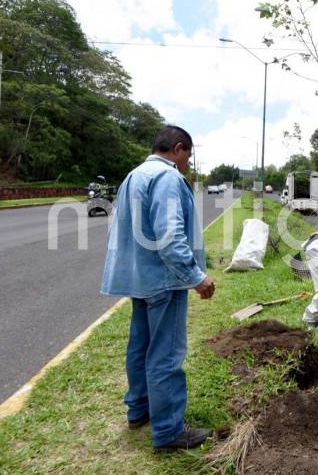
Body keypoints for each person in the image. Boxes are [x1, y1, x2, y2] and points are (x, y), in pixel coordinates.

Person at [101, 125, 216, 452]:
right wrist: (196, 277)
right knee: (165, 353)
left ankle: (139, 411)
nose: (186, 165)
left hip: (140, 279)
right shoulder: (167, 178)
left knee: (140, 346)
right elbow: (170, 237)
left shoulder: (133, 176)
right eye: (188, 157)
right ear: (178, 149)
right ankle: (168, 431)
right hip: (164, 280)